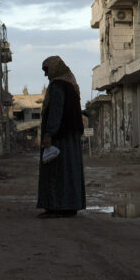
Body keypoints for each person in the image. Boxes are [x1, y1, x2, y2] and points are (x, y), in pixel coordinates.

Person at [36, 56, 86, 218]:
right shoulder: (72, 86)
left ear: (55, 69)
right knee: (71, 171)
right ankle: (70, 205)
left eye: (47, 70)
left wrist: (49, 133)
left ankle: (57, 206)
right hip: (71, 137)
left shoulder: (57, 86)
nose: (46, 75)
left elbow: (56, 112)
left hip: (60, 138)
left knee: (57, 171)